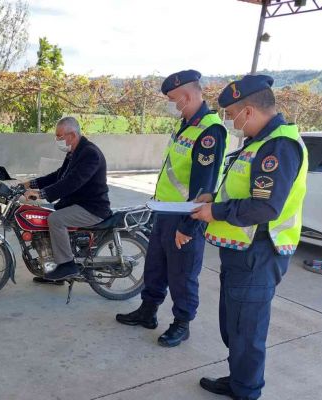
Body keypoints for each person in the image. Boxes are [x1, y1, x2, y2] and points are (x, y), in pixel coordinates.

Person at [192, 75, 308, 400]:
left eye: (231, 115)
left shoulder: (279, 146)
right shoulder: (258, 143)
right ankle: (239, 379)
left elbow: (265, 206)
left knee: (247, 332)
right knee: (235, 327)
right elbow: (244, 190)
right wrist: (213, 200)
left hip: (258, 253)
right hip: (241, 250)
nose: (230, 122)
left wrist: (215, 213)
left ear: (249, 111)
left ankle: (247, 391)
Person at [115, 70, 228, 347]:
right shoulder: (185, 124)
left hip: (185, 218)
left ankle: (181, 323)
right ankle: (148, 311)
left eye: (173, 99)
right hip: (164, 212)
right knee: (155, 266)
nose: (172, 104)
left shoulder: (209, 131)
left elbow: (204, 188)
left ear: (188, 95)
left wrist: (188, 227)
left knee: (182, 274)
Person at [24, 116, 111, 282]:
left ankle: (67, 265)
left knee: (56, 219)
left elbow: (73, 182)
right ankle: (52, 270)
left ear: (71, 135)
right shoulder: (75, 152)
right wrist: (30, 184)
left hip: (92, 208)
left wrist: (41, 194)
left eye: (59, 136)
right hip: (77, 203)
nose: (57, 140)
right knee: (43, 218)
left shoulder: (90, 153)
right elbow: (59, 175)